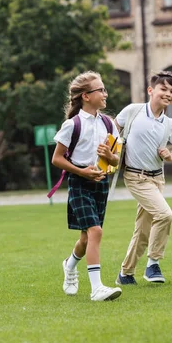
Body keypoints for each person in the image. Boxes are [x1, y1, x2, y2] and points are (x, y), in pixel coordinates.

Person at [51, 71, 122, 301]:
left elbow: (116, 161)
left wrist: (110, 156)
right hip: (80, 182)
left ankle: (69, 266)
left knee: (86, 238)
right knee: (96, 232)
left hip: (101, 182)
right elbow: (57, 158)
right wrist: (83, 172)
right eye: (100, 90)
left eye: (104, 89)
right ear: (86, 96)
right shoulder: (72, 125)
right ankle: (97, 289)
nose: (105, 94)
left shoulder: (109, 124)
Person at [114, 71, 172, 285]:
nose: (168, 94)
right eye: (163, 89)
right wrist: (110, 149)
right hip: (136, 177)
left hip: (158, 179)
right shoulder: (133, 111)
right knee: (165, 215)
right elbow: (111, 129)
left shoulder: (169, 124)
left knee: (143, 230)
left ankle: (125, 273)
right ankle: (153, 264)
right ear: (151, 90)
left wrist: (171, 155)